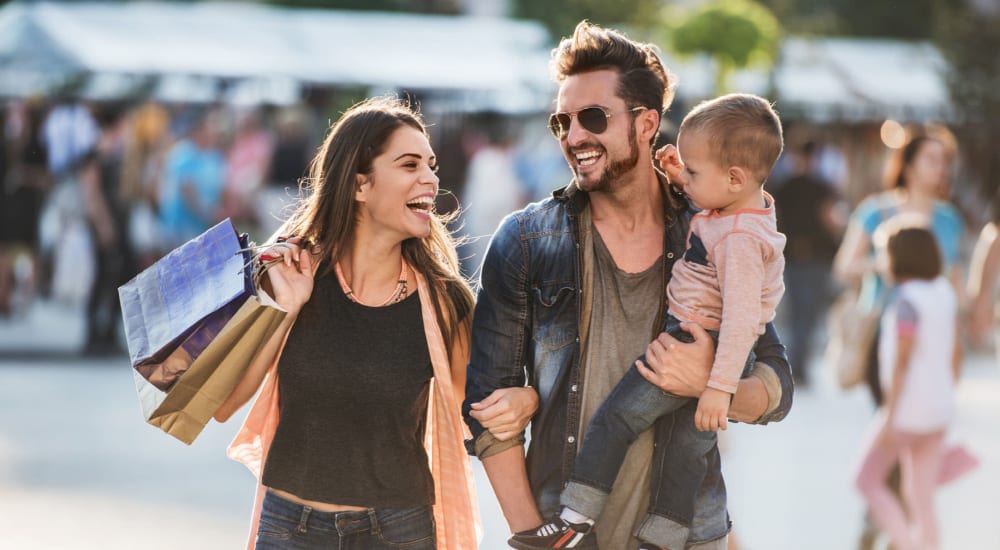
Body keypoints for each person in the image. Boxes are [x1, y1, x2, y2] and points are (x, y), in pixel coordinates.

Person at [463, 22, 794, 550]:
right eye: (561, 122)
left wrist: (711, 382)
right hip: (566, 531)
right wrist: (533, 535)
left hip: (689, 534)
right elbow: (486, 414)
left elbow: (775, 385)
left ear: (646, 123)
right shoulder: (525, 241)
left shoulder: (710, 230)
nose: (574, 137)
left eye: (592, 117)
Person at [213, 97, 527, 550]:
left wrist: (525, 397)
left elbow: (479, 410)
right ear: (360, 185)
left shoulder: (445, 302)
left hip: (399, 532)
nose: (431, 178)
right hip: (290, 530)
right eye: (409, 164)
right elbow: (225, 402)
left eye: (431, 165)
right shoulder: (291, 273)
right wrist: (288, 307)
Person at [832, 132, 965, 550]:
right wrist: (885, 263)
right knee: (895, 421)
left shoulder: (949, 220)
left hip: (933, 341)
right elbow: (844, 267)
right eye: (931, 159)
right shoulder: (877, 211)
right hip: (883, 335)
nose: (939, 168)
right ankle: (896, 519)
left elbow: (956, 282)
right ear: (907, 162)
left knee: (904, 428)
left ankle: (894, 523)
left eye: (944, 161)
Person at [854, 220, 960, 550]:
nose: (882, 262)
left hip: (907, 413)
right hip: (938, 410)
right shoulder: (944, 292)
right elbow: (957, 353)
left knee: (866, 480)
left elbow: (901, 363)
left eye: (885, 254)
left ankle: (905, 543)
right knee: (920, 495)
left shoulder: (906, 302)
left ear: (903, 257)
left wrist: (888, 414)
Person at [772, 139, 845, 386]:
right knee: (809, 313)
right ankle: (799, 366)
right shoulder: (822, 187)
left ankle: (795, 364)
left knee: (795, 313)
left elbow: (775, 219)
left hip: (790, 254)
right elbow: (830, 219)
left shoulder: (783, 186)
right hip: (818, 255)